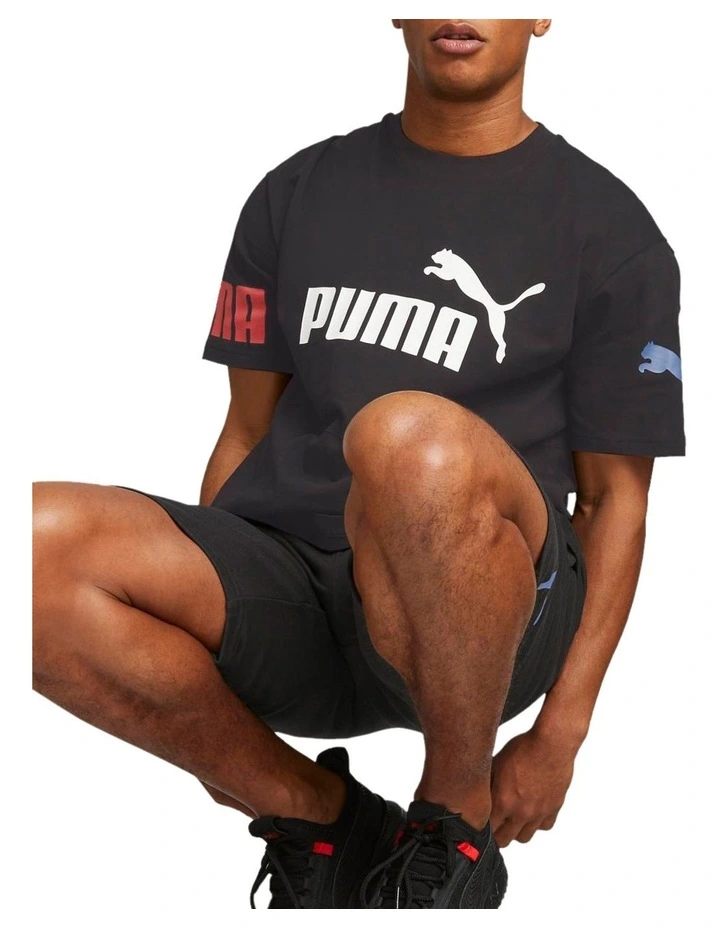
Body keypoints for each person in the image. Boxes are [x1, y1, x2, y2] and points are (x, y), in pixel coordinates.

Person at [32, 18, 685, 909]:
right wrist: (214, 695)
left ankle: (451, 818)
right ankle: (316, 817)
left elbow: (615, 501)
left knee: (404, 437)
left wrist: (561, 733)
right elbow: (245, 433)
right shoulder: (297, 189)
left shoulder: (612, 230)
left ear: (542, 13)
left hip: (491, 621)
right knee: (29, 548)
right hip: (301, 589)